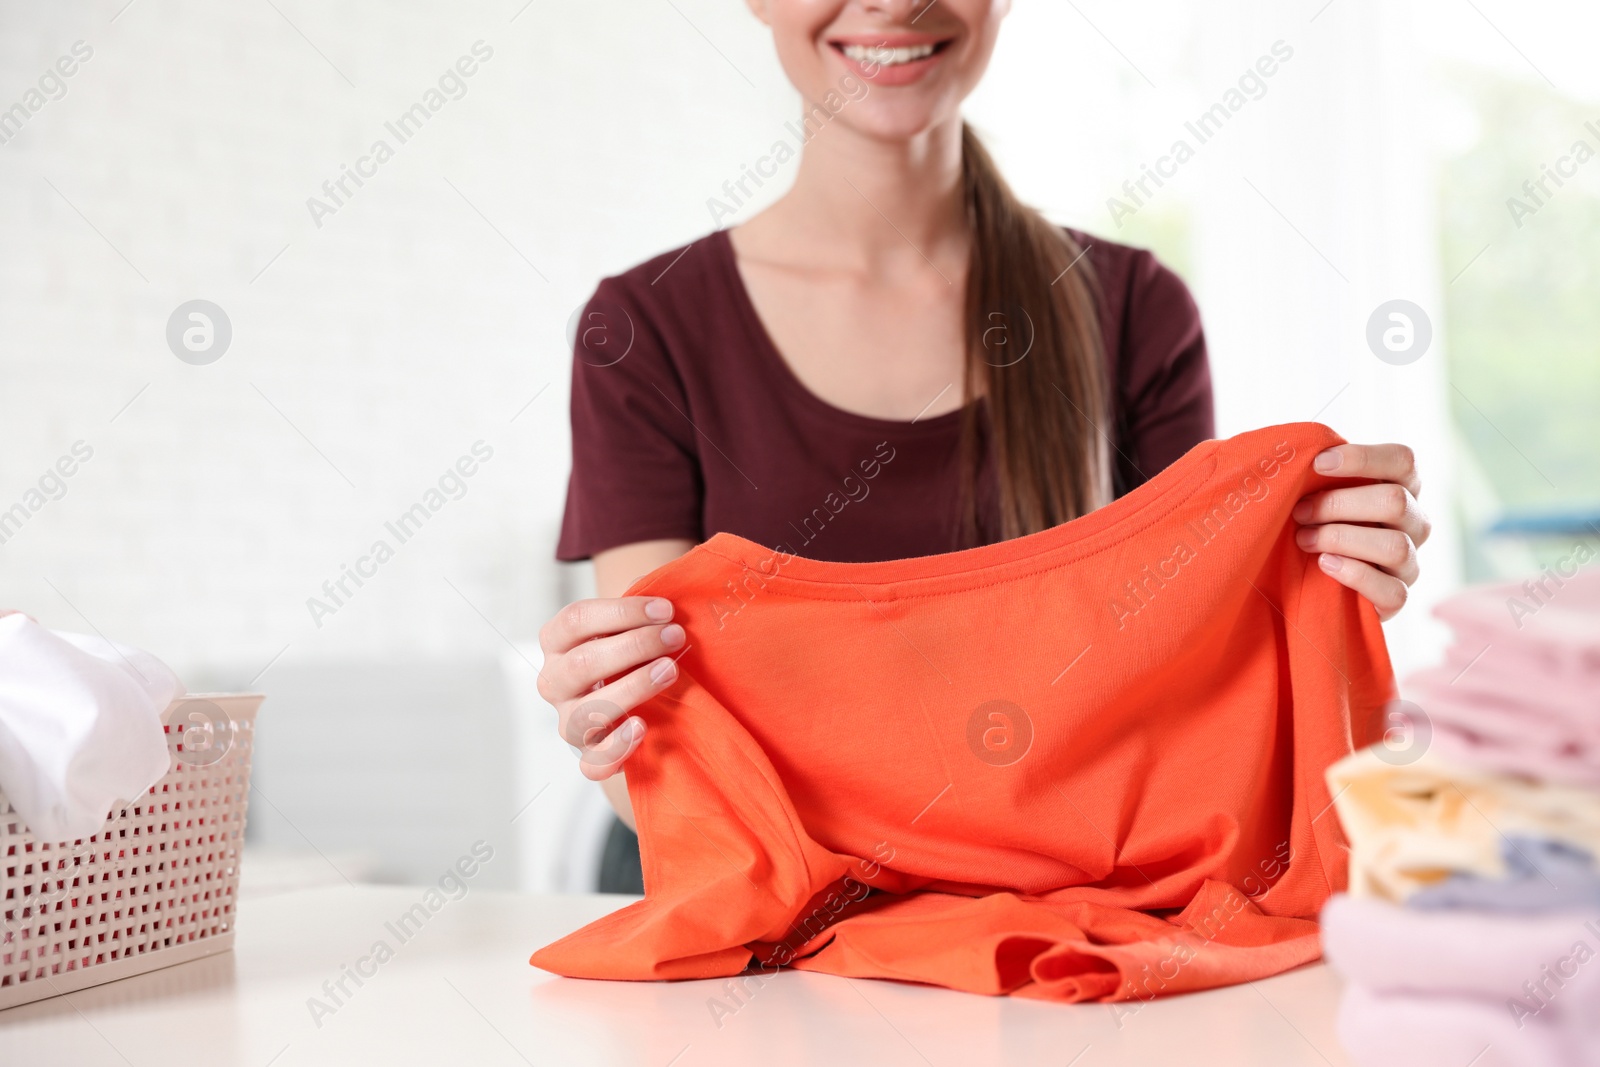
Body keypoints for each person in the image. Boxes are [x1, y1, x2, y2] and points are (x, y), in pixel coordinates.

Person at [538, 0, 1432, 892]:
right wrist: (609, 718)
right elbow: (649, 738)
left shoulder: (1132, 311)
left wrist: (1314, 588)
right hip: (752, 902)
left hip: (1051, 909)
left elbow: (1190, 698)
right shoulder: (642, 329)